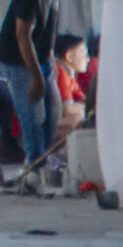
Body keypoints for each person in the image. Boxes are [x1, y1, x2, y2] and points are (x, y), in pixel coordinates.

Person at [0, 0, 56, 168]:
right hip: (18, 60)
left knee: (52, 114)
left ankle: (43, 163)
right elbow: (22, 34)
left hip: (41, 57)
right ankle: (35, 167)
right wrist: (36, 75)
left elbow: (48, 28)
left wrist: (49, 62)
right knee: (33, 116)